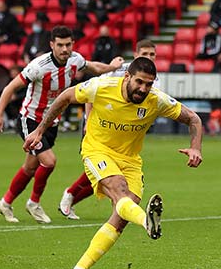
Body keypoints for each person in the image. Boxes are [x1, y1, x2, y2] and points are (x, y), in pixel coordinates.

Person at [23, 57, 203, 269]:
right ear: (127, 76)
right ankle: (147, 222)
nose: (143, 89)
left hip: (130, 160)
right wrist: (39, 131)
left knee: (121, 217)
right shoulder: (101, 87)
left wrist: (196, 147)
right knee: (120, 194)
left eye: (149, 84)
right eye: (139, 82)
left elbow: (193, 119)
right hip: (97, 151)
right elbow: (66, 96)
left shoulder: (155, 100)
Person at [0, 25, 124, 224]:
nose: (64, 49)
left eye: (68, 44)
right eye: (60, 45)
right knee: (49, 161)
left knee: (29, 168)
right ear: (52, 45)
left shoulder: (75, 60)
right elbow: (10, 87)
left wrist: (112, 67)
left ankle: (6, 202)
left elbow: (94, 67)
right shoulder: (38, 66)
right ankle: (34, 203)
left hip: (51, 121)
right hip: (31, 120)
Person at [59, 39, 160, 220]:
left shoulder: (152, 78)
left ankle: (77, 198)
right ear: (136, 55)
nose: (149, 57)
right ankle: (71, 194)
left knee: (111, 175)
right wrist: (88, 121)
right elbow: (93, 93)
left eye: (152, 54)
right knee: (105, 171)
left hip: (124, 133)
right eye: (145, 54)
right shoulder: (122, 72)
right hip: (102, 126)